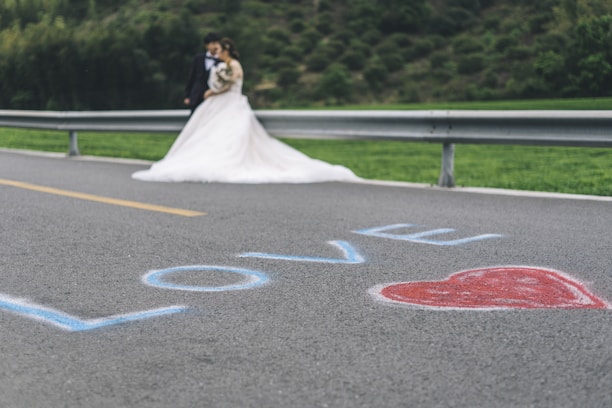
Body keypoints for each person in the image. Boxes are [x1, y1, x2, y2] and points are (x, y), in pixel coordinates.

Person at [132, 38, 359, 184]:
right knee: (211, 132)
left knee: (232, 133)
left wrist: (213, 93)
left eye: (220, 50)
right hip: (220, 103)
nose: (217, 53)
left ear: (226, 50)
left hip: (231, 102)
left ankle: (225, 161)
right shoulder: (222, 66)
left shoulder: (234, 66)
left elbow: (229, 84)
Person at [183, 32, 221, 115]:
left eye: (217, 43)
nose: (216, 46)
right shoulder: (198, 58)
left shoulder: (222, 61)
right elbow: (191, 77)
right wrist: (187, 95)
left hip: (212, 96)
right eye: (213, 43)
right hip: (196, 96)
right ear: (207, 45)